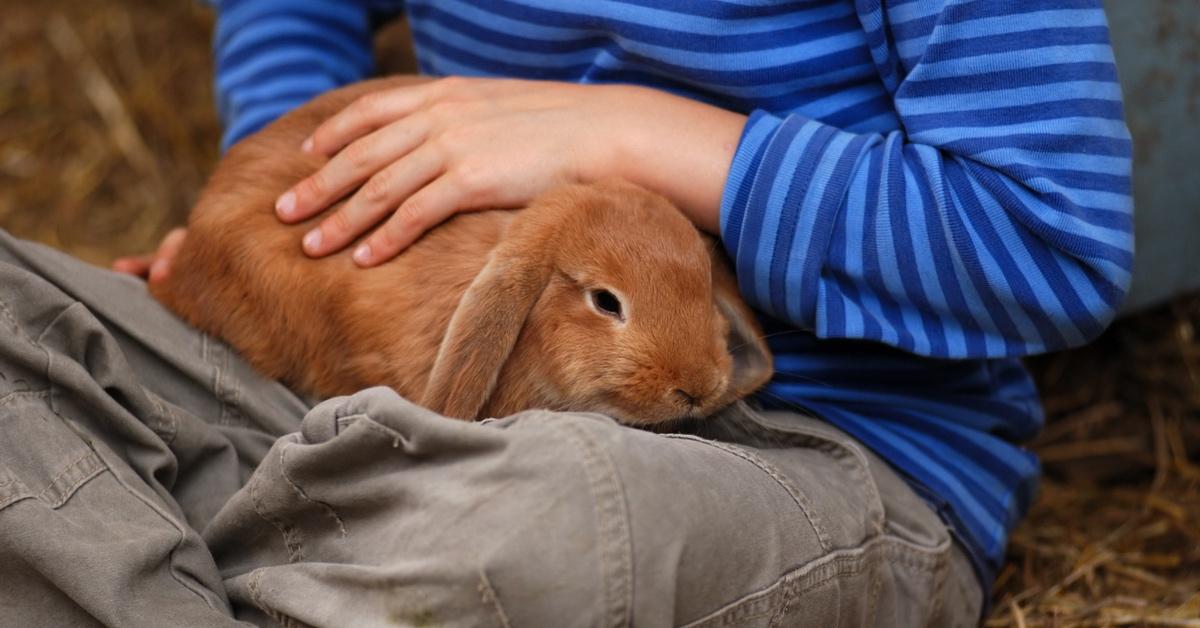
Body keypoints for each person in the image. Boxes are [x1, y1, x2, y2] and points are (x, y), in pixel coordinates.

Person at [2, 1, 1131, 626]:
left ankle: (143, 557)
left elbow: (1055, 239)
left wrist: (630, 137)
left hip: (790, 439)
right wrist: (302, 223)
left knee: (525, 531)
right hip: (378, 359)